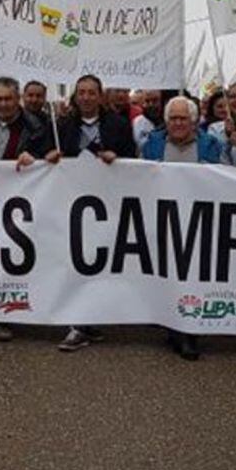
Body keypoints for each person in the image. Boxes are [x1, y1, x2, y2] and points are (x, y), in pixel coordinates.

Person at [46, 74, 136, 352]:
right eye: (81, 92)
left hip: (106, 205)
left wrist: (117, 159)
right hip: (71, 204)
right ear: (75, 96)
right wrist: (50, 157)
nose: (85, 97)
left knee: (97, 262)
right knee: (74, 260)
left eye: (91, 92)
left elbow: (133, 160)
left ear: (100, 96)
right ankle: (76, 324)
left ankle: (90, 318)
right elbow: (46, 154)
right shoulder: (61, 125)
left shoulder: (119, 126)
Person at [0, 77, 52, 342]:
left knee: (11, 256)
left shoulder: (38, 126)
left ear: (18, 99)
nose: (3, 104)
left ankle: (6, 314)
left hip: (20, 202)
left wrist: (39, 158)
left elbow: (53, 155)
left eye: (8, 99)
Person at [142, 97, 223, 360]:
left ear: (194, 120)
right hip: (163, 220)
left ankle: (188, 333)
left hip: (200, 221)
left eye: (183, 118)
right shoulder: (151, 144)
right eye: (173, 118)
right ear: (166, 121)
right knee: (167, 273)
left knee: (191, 277)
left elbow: (228, 178)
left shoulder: (211, 145)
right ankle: (171, 323)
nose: (178, 123)